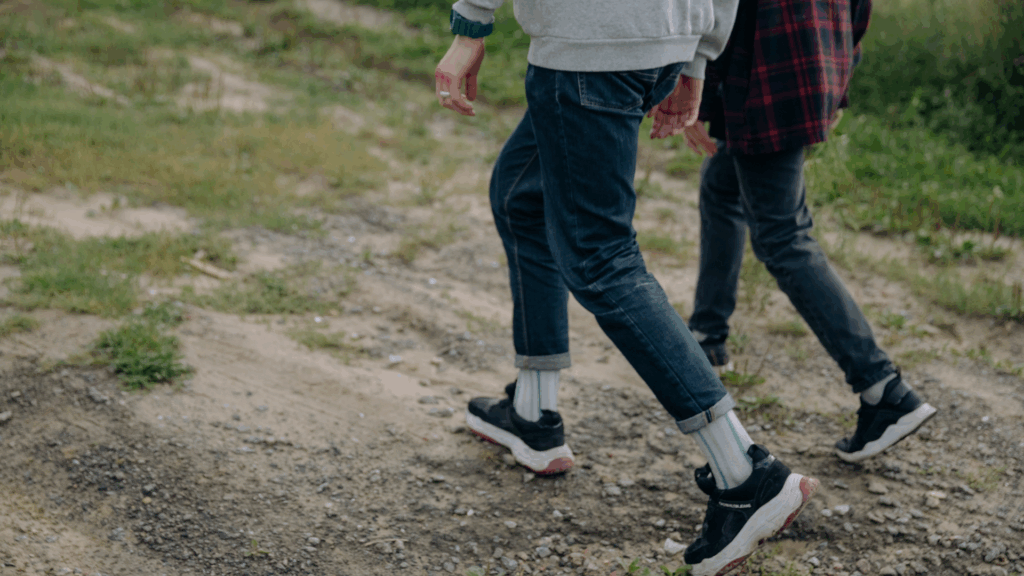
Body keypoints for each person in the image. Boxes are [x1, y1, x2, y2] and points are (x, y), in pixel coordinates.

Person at [434, 1, 818, 573]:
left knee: (601, 258)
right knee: (523, 192)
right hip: (660, 37)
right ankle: (534, 414)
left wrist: (471, 20)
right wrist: (696, 54)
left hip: (591, 43)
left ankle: (744, 475)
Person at [677, 0, 937, 463]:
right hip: (807, 71)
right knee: (722, 186)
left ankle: (884, 390)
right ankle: (708, 335)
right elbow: (859, 8)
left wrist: (690, 81)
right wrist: (839, 81)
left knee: (783, 236)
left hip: (764, 83)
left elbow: (718, 7)